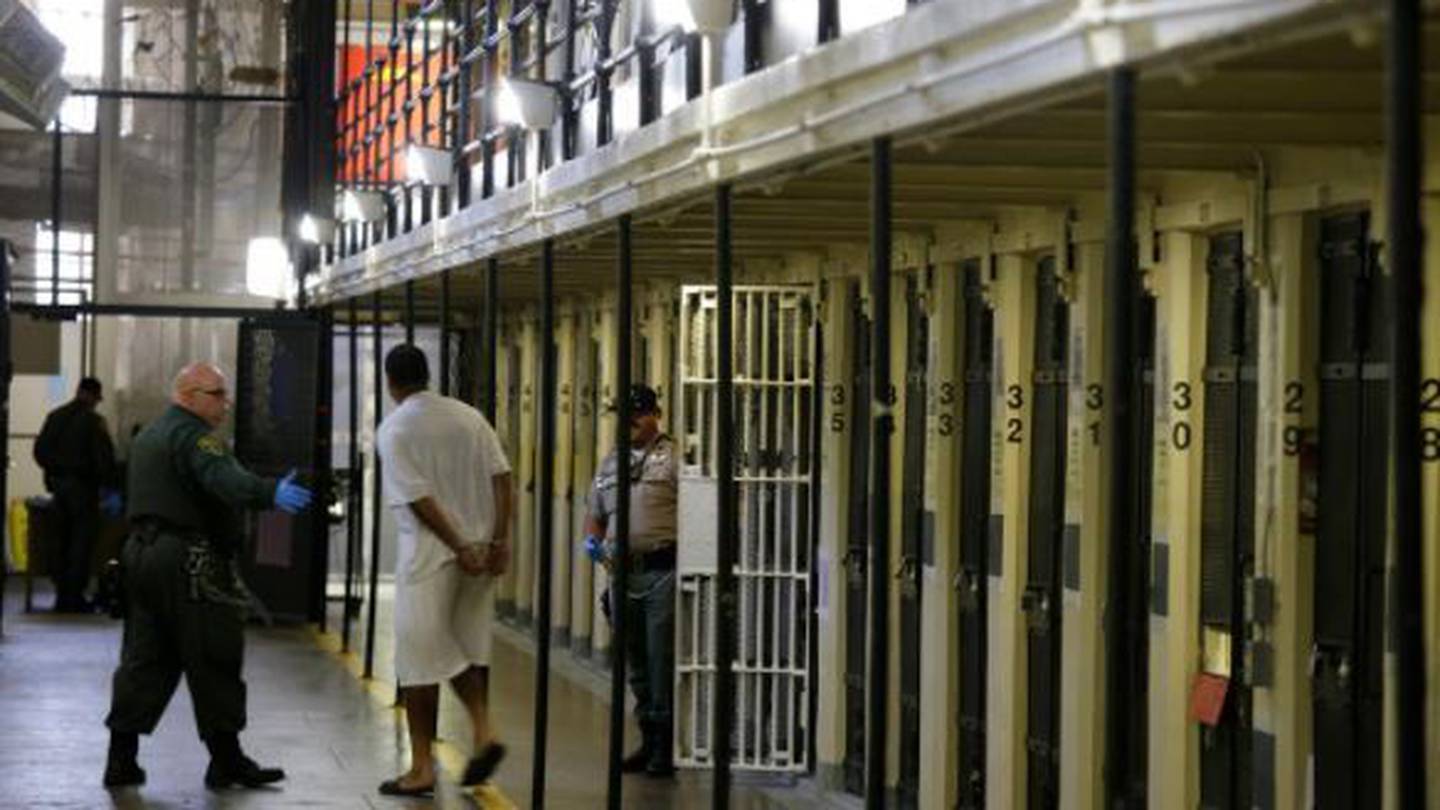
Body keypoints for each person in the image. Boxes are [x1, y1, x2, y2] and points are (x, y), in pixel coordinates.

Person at [102, 362, 314, 790]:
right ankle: (227, 761)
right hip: (188, 561)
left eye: (224, 393)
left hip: (141, 557)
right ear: (187, 396)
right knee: (214, 650)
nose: (225, 402)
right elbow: (226, 481)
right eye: (216, 394)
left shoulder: (150, 436)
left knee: (145, 659)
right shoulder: (195, 437)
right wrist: (269, 492)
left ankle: (121, 759)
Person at [375, 344, 513, 797]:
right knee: (468, 649)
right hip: (478, 549)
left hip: (430, 557)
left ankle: (425, 765)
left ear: (391, 382)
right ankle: (480, 735)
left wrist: (458, 546)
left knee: (419, 659)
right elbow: (502, 477)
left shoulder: (394, 429)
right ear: (427, 374)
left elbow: (419, 501)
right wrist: (497, 540)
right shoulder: (470, 417)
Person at [583, 383, 679, 777]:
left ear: (655, 413)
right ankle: (647, 739)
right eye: (624, 416)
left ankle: (664, 746)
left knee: (661, 661)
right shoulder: (610, 463)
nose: (630, 423)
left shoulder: (675, 459)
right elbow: (596, 512)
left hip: (662, 573)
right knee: (637, 665)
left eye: (637, 415)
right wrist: (590, 539)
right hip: (623, 576)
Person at [33, 376, 119, 612]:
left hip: (58, 489)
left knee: (61, 539)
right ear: (92, 395)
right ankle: (74, 596)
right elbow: (104, 460)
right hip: (83, 490)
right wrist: (109, 483)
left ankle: (62, 594)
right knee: (81, 543)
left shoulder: (55, 416)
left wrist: (56, 471)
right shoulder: (93, 422)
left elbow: (40, 452)